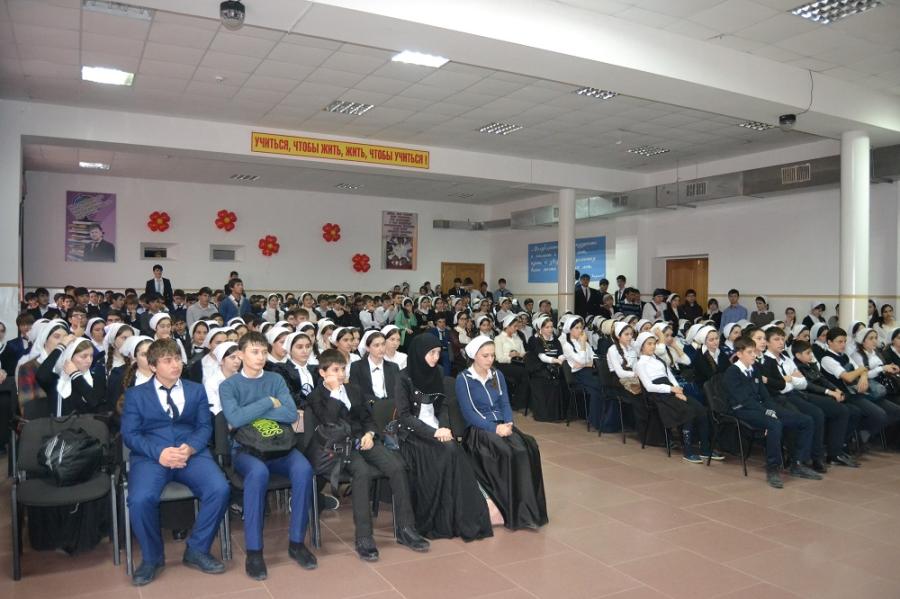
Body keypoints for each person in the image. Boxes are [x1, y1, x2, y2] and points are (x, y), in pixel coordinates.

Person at [121, 339, 230, 586]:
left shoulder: (195, 390)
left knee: (219, 488)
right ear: (153, 366)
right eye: (168, 360)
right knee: (139, 499)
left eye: (178, 359)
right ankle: (152, 558)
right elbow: (130, 435)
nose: (175, 365)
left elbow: (204, 426)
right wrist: (159, 453)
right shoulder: (136, 395)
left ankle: (197, 549)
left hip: (190, 453)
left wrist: (190, 448)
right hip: (151, 457)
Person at [307, 349, 430, 561]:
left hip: (363, 439)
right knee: (362, 473)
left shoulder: (354, 390)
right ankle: (364, 537)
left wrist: (370, 434)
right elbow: (329, 421)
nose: (341, 374)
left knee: (397, 467)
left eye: (343, 369)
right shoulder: (315, 397)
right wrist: (335, 392)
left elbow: (368, 418)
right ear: (322, 372)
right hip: (340, 446)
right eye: (335, 370)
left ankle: (406, 528)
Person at [219, 332, 316, 579]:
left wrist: (250, 413)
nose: (261, 357)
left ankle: (297, 543)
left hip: (279, 445)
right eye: (254, 352)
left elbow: (290, 414)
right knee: (258, 473)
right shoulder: (229, 385)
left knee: (304, 469)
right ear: (240, 354)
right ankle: (254, 551)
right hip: (246, 450)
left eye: (264, 351)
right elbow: (234, 419)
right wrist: (268, 402)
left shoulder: (275, 378)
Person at [394, 335, 493, 540]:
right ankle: (441, 517)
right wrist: (433, 432)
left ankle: (462, 516)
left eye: (438, 353)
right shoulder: (403, 378)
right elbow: (404, 416)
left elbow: (443, 406)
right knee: (449, 451)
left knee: (455, 452)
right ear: (419, 353)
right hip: (413, 434)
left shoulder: (438, 372)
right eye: (431, 353)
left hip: (437, 428)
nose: (436, 357)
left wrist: (443, 426)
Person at [456, 336, 548, 530]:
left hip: (502, 425)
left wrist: (508, 423)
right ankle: (509, 509)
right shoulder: (463, 379)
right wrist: (495, 428)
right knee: (505, 452)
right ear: (474, 356)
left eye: (492, 355)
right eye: (485, 356)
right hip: (479, 429)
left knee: (527, 448)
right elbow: (469, 413)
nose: (490, 359)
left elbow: (505, 402)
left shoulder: (497, 375)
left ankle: (527, 511)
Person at [723, 336, 821, 489]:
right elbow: (744, 400)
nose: (754, 355)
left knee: (805, 420)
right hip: (742, 410)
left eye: (754, 352)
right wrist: (767, 411)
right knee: (774, 424)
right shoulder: (732, 372)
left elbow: (765, 396)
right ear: (739, 354)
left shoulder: (754, 369)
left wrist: (772, 408)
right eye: (750, 352)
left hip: (761, 407)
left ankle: (797, 463)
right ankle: (772, 468)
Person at [633, 331, 717, 463]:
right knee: (688, 411)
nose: (653, 346)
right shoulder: (640, 364)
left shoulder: (658, 359)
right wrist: (671, 389)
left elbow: (670, 376)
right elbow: (649, 387)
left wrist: (678, 391)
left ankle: (705, 449)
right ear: (641, 347)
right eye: (649, 344)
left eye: (654, 343)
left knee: (701, 410)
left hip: (671, 390)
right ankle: (688, 451)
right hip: (658, 395)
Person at [820, 327, 900, 447]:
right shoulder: (827, 359)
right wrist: (862, 371)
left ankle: (864, 435)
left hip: (860, 390)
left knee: (895, 411)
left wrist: (863, 375)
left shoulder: (845, 356)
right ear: (829, 342)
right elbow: (848, 377)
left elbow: (862, 370)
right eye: (839, 341)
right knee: (879, 415)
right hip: (845, 394)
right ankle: (858, 435)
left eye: (844, 341)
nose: (843, 344)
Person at [791, 340, 859, 467]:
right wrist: (829, 392)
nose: (811, 355)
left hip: (821, 394)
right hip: (808, 396)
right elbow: (808, 385)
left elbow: (822, 379)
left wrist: (835, 389)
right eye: (808, 353)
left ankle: (839, 447)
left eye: (811, 352)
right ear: (798, 355)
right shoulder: (796, 366)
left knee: (853, 410)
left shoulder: (811, 364)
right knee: (841, 411)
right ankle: (833, 454)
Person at [526, 315, 566, 422]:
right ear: (541, 328)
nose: (550, 329)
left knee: (561, 378)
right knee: (548, 379)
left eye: (551, 327)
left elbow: (560, 354)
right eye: (547, 327)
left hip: (553, 366)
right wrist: (555, 361)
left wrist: (561, 360)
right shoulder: (536, 340)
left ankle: (558, 414)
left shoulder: (555, 340)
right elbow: (542, 357)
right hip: (539, 367)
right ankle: (545, 414)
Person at [349, 331, 401, 406]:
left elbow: (398, 392)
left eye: (383, 344)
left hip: (391, 407)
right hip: (368, 407)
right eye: (376, 345)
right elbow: (355, 393)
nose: (381, 349)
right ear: (367, 348)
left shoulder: (393, 367)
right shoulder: (357, 366)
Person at [493, 313, 530, 411]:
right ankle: (518, 402)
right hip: (504, 365)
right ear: (507, 326)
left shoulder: (517, 338)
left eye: (517, 326)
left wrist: (518, 354)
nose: (516, 328)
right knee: (524, 373)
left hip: (518, 363)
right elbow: (499, 358)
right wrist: (510, 356)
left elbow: (523, 352)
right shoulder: (498, 339)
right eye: (514, 326)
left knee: (529, 371)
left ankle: (524, 401)